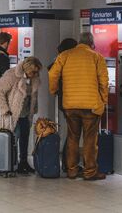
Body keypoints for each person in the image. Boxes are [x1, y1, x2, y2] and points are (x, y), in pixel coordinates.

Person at [48, 32, 109, 181]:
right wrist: (103, 100)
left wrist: (53, 90)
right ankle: (90, 172)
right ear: (91, 43)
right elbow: (104, 81)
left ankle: (72, 171)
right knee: (89, 140)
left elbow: (52, 74)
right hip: (91, 106)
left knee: (73, 138)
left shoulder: (65, 55)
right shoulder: (97, 57)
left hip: (70, 105)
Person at [0, 57, 42, 174]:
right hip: (11, 113)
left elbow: (33, 96)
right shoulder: (12, 75)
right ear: (27, 68)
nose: (35, 74)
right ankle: (10, 164)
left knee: (25, 138)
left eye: (37, 72)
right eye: (33, 72)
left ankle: (23, 163)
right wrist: (4, 109)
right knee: (14, 139)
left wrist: (33, 110)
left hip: (25, 113)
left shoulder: (34, 78)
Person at [47, 38, 78, 172]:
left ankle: (68, 163)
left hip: (65, 102)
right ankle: (68, 164)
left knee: (72, 134)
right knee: (73, 134)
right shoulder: (66, 61)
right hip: (71, 102)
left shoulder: (58, 60)